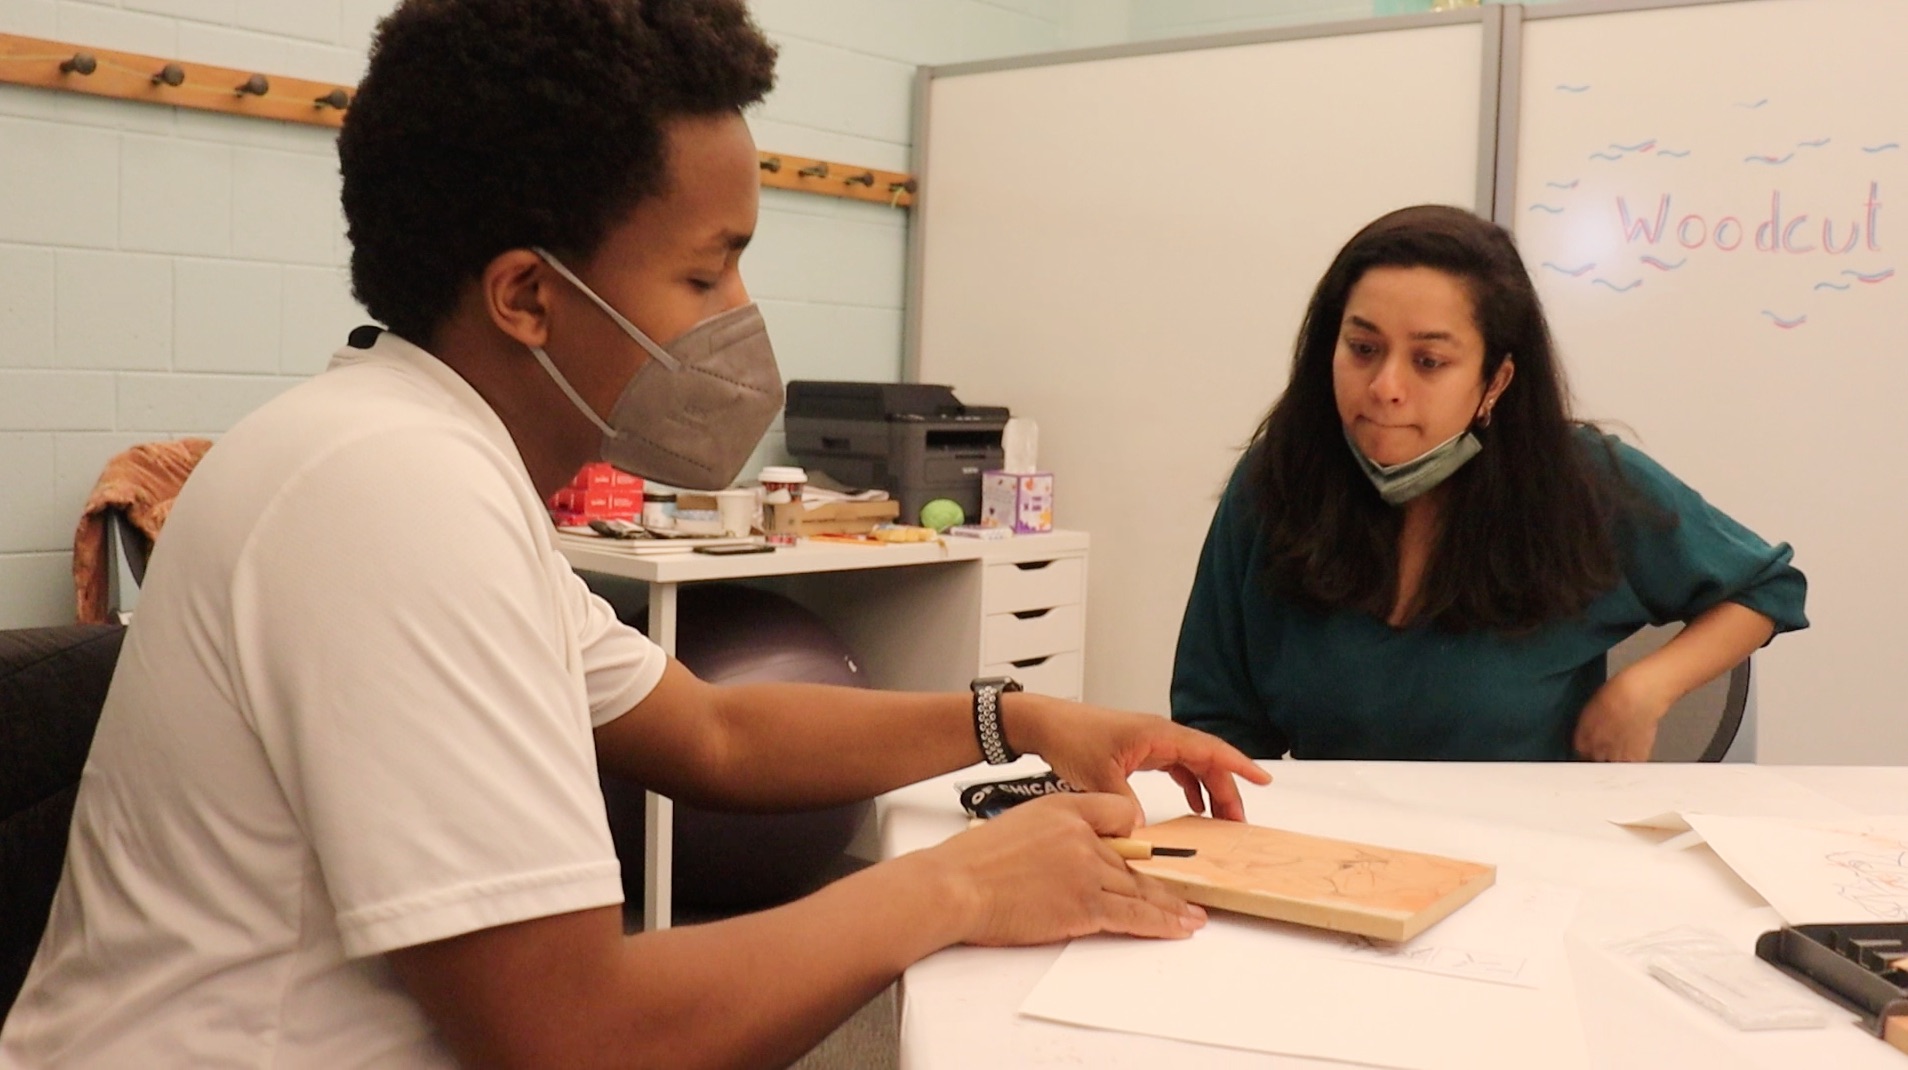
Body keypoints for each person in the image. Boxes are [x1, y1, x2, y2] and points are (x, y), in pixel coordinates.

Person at [0, 3, 1270, 1068]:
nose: (742, 319)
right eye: (708, 275)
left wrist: (1023, 719)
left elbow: (712, 725)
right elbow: (573, 1033)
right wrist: (960, 886)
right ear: (529, 297)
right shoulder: (389, 492)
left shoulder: (422, 457)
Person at [1170, 204, 1806, 764]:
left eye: (1429, 362)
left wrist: (1646, 687)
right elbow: (1215, 719)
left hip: (1528, 859)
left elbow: (1767, 587)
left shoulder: (1578, 483)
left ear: (1495, 381)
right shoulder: (1275, 483)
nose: (1385, 386)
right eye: (1363, 348)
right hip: (1335, 859)